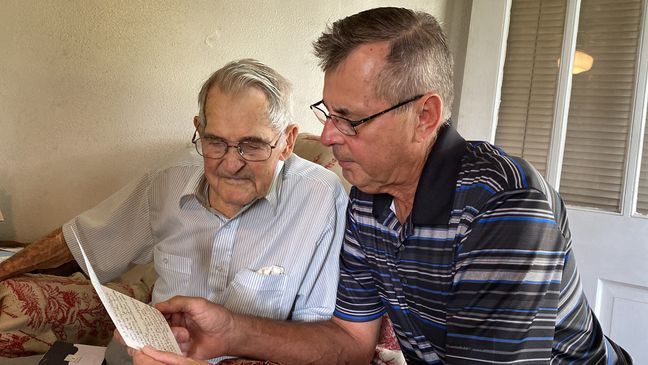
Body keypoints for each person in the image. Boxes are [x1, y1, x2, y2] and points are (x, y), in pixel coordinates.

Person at [123, 7, 632, 365]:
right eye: (328, 112)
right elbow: (348, 341)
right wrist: (228, 330)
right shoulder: (368, 200)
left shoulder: (505, 206)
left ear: (424, 115)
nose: (326, 136)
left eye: (350, 119)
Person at [0, 59, 347, 363]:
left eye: (251, 145)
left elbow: (326, 341)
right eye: (215, 142)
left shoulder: (320, 198)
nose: (230, 164)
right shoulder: (168, 181)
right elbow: (82, 242)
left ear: (287, 141)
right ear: (199, 130)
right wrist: (7, 269)